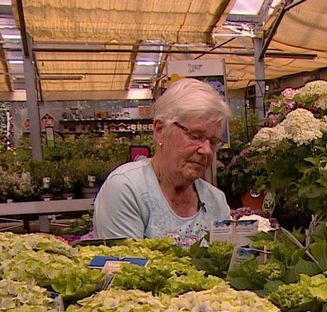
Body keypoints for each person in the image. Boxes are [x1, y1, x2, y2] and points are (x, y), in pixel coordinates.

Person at [92, 78, 231, 244]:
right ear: (160, 129)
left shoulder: (216, 201)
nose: (207, 150)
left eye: (213, 141)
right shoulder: (127, 189)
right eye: (195, 136)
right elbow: (123, 267)